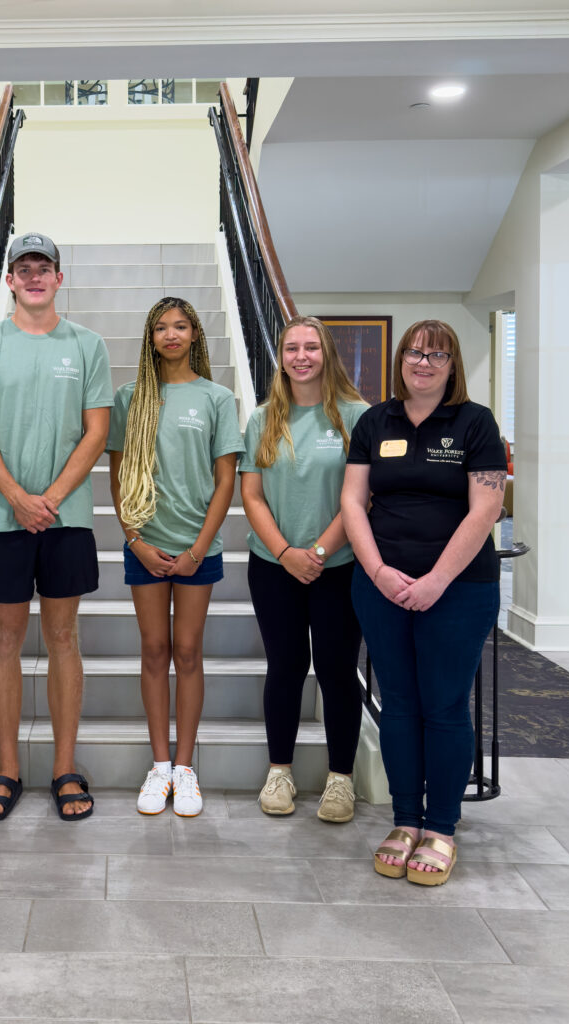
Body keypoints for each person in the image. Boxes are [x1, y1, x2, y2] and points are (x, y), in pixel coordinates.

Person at [341, 319, 506, 886]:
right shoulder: (373, 420)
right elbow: (353, 502)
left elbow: (485, 510)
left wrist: (434, 579)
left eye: (437, 355)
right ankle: (405, 819)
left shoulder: (475, 422)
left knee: (444, 705)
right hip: (382, 587)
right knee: (400, 704)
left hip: (458, 588)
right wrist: (380, 571)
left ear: (453, 364)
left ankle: (441, 827)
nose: (424, 363)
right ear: (401, 360)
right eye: (415, 352)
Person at [0, 232, 113, 821]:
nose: (34, 277)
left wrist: (47, 498)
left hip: (66, 517)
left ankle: (64, 768)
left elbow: (96, 431)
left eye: (43, 267)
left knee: (63, 639)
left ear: (58, 278)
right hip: (2, 517)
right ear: (11, 280)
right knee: (4, 641)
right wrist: (19, 498)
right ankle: (7, 768)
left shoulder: (88, 345)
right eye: (24, 268)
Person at [108, 297, 242, 816]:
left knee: (187, 652)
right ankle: (158, 765)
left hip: (196, 548)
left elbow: (226, 480)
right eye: (161, 327)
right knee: (153, 651)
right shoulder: (130, 398)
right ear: (150, 337)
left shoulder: (216, 398)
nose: (170, 334)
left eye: (180, 326)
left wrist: (198, 549)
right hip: (145, 543)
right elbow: (119, 477)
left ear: (194, 335)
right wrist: (135, 540)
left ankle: (185, 768)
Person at [239, 316, 368, 823]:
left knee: (337, 671)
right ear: (281, 357)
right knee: (286, 668)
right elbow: (250, 494)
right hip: (273, 566)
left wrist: (315, 553)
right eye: (292, 347)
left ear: (327, 354)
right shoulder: (264, 417)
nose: (301, 356)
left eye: (311, 347)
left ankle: (340, 780)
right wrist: (286, 553)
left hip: (338, 567)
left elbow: (362, 497)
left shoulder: (357, 418)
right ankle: (280, 771)